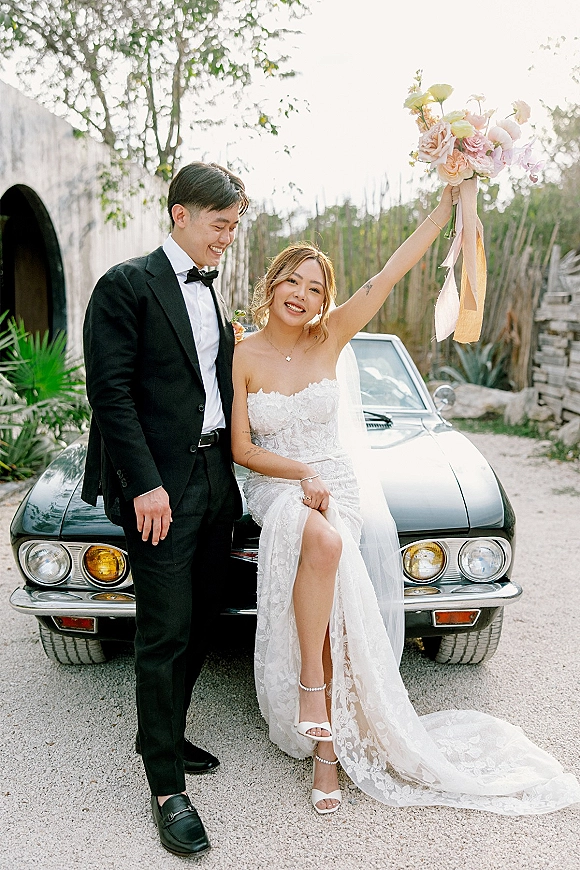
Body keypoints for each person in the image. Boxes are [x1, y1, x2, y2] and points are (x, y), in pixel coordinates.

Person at [231, 185, 580, 815]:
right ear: (273, 281)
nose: (302, 295)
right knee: (324, 541)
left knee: (331, 541)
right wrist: (299, 472)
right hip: (276, 481)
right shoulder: (243, 354)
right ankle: (320, 707)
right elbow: (241, 449)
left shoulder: (330, 337)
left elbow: (390, 273)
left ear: (324, 299)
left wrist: (447, 206)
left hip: (335, 480)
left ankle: (325, 728)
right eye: (293, 280)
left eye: (315, 287)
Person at [82, 162, 248, 856]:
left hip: (215, 476)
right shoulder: (126, 285)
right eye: (220, 225)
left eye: (234, 228)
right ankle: (165, 785)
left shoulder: (213, 290)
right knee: (164, 630)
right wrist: (144, 482)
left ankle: (168, 727)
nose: (227, 240)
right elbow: (111, 395)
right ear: (181, 213)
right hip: (159, 487)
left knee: (205, 615)